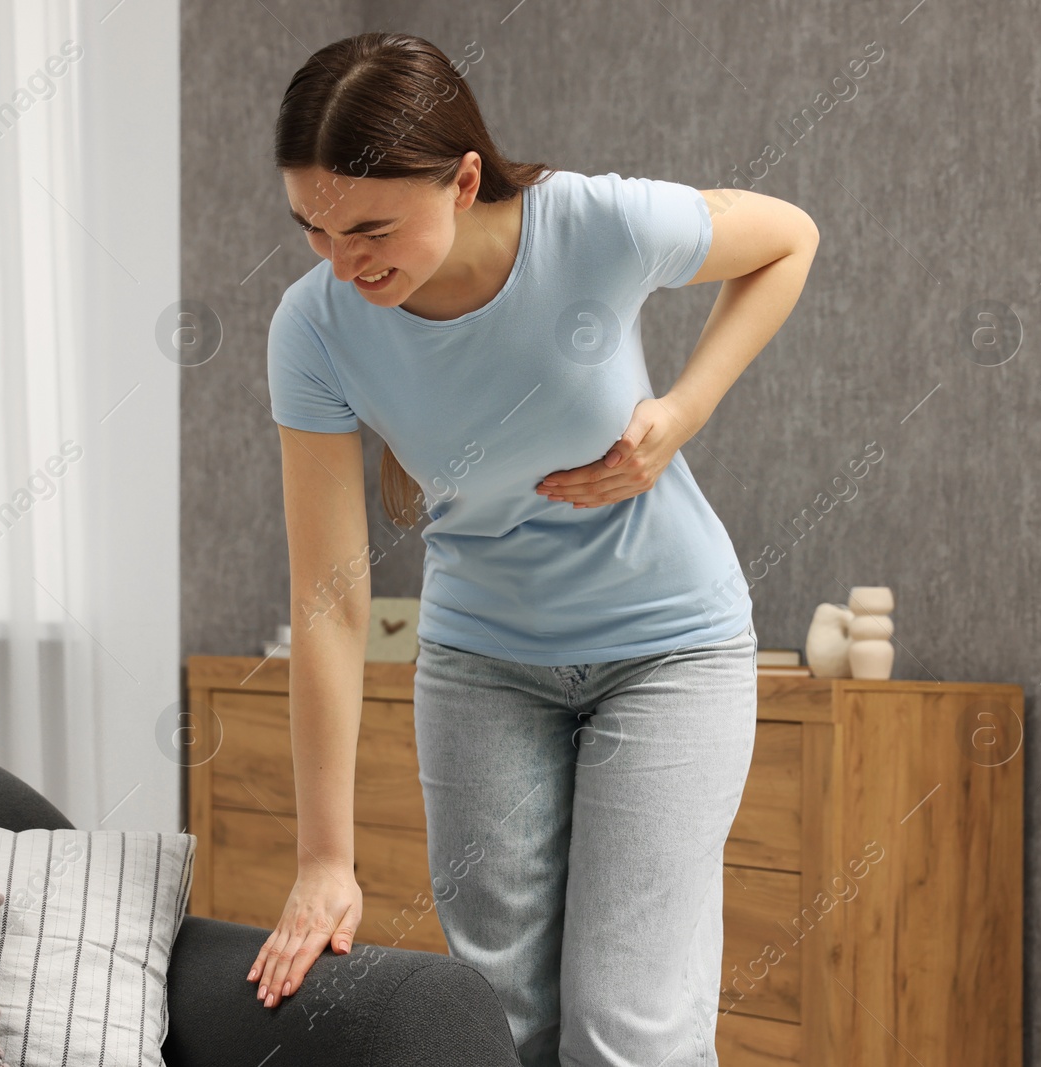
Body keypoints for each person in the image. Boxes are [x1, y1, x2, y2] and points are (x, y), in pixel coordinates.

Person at [247, 30, 818, 1067]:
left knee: (624, 1024)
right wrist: (324, 858)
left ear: (463, 180)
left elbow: (790, 238)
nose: (344, 261)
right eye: (313, 231)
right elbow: (330, 599)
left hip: (668, 648)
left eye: (370, 226)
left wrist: (681, 411)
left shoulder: (594, 224)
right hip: (481, 667)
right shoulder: (315, 329)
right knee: (497, 1016)